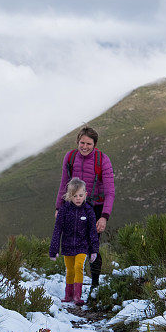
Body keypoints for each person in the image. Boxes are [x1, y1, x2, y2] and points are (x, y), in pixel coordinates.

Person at [55, 125, 115, 296]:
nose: (85, 147)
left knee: (91, 245)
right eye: (82, 143)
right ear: (77, 142)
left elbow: (110, 192)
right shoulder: (70, 157)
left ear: (95, 144)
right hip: (73, 207)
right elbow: (64, 184)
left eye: (89, 144)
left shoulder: (103, 160)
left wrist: (104, 217)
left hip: (95, 208)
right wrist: (59, 208)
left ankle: (95, 285)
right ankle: (75, 286)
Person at [49, 178, 99, 306]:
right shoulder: (64, 210)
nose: (78, 198)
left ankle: (77, 296)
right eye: (74, 196)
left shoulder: (88, 210)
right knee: (70, 270)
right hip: (67, 246)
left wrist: (94, 250)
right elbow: (57, 230)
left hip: (82, 246)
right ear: (69, 196)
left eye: (81, 195)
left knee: (78, 267)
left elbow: (92, 231)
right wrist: (53, 250)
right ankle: (68, 295)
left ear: (86, 195)